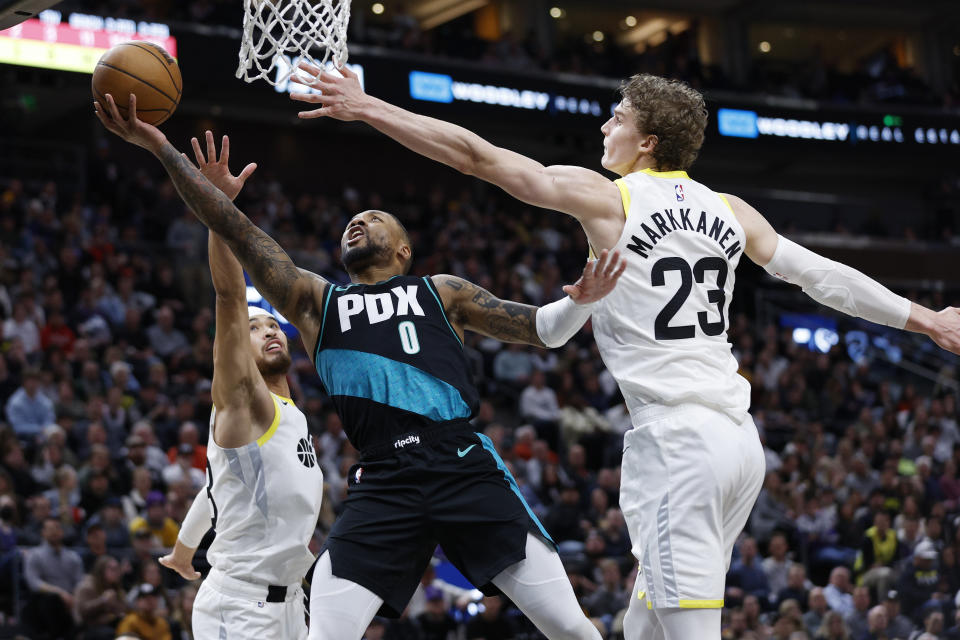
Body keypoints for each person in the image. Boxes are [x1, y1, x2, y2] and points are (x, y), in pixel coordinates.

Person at [287, 64, 960, 639]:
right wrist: (927, 318)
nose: (604, 127)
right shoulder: (730, 209)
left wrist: (367, 106)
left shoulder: (609, 199)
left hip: (678, 447)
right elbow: (822, 276)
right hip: (738, 446)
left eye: (616, 118)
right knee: (644, 627)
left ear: (646, 141)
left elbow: (477, 157)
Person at [94, 96, 624, 640]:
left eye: (373, 220)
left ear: (402, 249)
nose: (358, 222)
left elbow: (547, 330)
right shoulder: (314, 302)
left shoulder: (442, 291)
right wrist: (160, 147)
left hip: (461, 462)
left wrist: (583, 297)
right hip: (384, 478)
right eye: (352, 220)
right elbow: (235, 228)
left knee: (570, 627)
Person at [153, 132, 324, 640]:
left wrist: (184, 553)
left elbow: (215, 491)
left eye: (272, 323)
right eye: (255, 328)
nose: (269, 329)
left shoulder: (289, 409)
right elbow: (229, 296)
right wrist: (218, 208)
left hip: (291, 603)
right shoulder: (241, 400)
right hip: (242, 607)